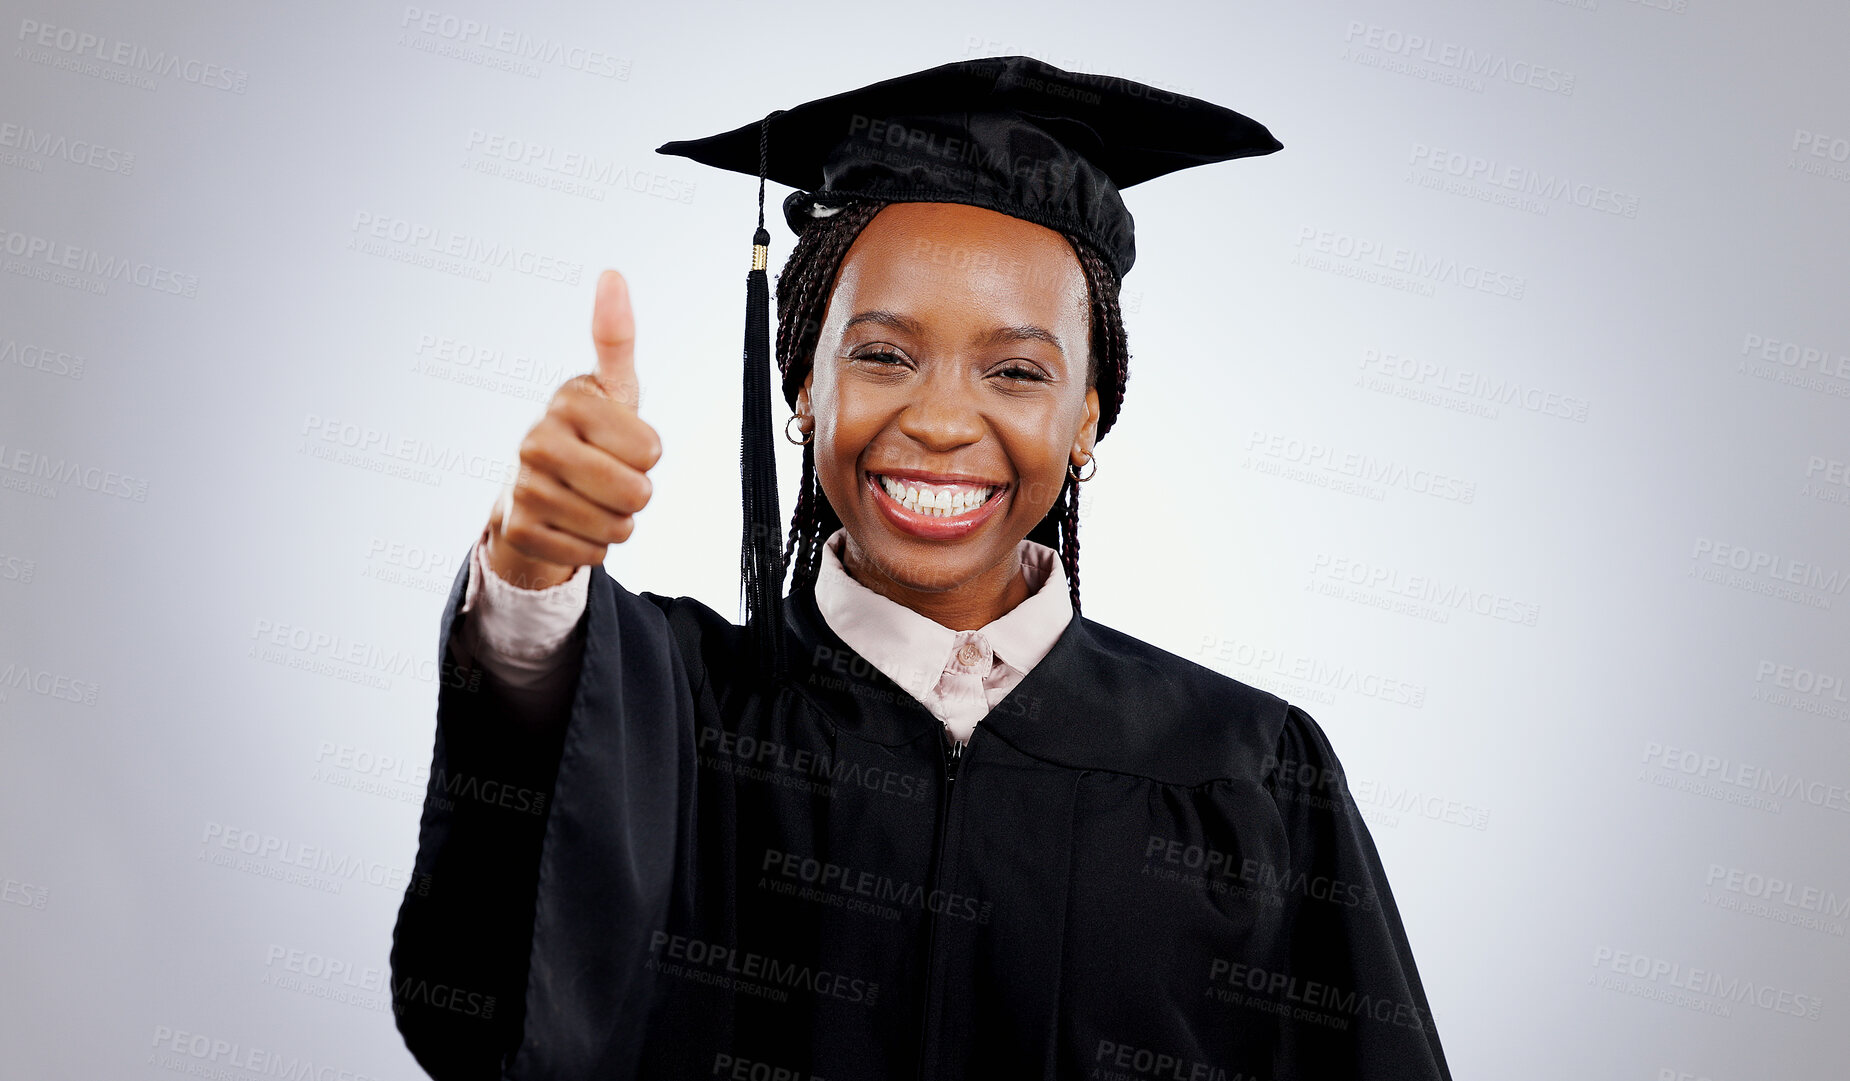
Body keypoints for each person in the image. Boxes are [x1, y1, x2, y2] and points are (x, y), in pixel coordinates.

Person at [390, 56, 1454, 1081]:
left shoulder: (1244, 768)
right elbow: (490, 991)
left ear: (1086, 418)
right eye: (882, 353)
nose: (942, 418)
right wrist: (529, 568)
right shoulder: (680, 705)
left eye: (1016, 370)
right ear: (803, 388)